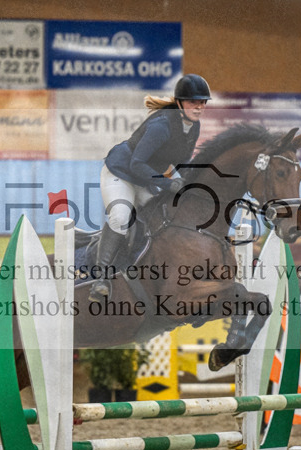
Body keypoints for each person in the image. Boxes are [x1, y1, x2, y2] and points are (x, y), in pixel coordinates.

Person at [89, 73, 211, 302]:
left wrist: (190, 187)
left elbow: (182, 164)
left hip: (144, 179)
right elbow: (136, 164)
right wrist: (167, 183)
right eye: (194, 101)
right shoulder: (161, 126)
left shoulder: (193, 126)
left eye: (202, 102)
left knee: (161, 215)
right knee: (121, 216)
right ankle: (101, 278)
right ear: (180, 103)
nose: (199, 106)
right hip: (120, 173)